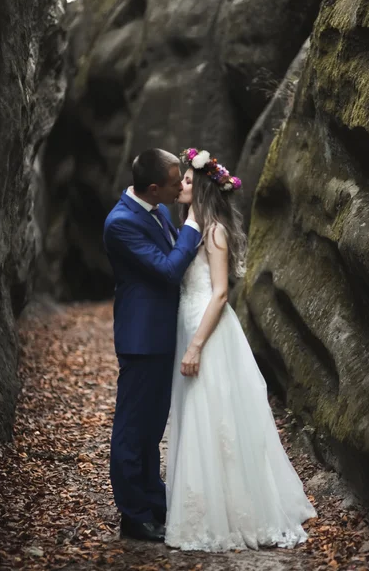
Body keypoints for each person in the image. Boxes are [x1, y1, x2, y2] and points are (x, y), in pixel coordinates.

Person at [165, 148, 316, 551]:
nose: (181, 184)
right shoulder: (191, 224)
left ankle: (230, 515)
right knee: (198, 418)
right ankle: (204, 505)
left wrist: (196, 346)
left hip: (208, 332)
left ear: (201, 189)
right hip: (190, 322)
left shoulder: (213, 230)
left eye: (187, 180)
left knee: (215, 418)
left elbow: (220, 294)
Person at [103, 148, 201, 542]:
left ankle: (154, 503)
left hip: (162, 335)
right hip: (141, 339)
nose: (183, 184)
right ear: (155, 187)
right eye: (178, 180)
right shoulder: (120, 223)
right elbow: (167, 270)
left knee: (151, 429)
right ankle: (133, 515)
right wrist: (194, 228)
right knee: (132, 430)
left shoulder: (156, 209)